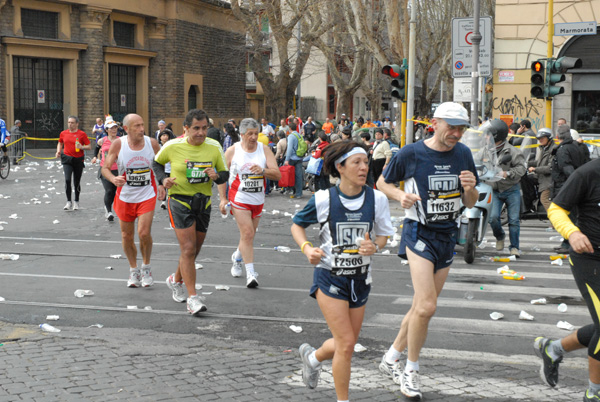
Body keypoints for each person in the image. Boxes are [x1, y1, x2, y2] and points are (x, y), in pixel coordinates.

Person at [376, 102, 479, 400]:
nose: (456, 134)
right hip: (418, 233)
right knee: (427, 306)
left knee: (421, 306)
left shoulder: (464, 154)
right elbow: (382, 182)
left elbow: (470, 202)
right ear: (435, 123)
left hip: (448, 234)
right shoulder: (411, 153)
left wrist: (470, 188)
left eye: (461, 129)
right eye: (452, 127)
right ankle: (411, 369)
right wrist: (400, 195)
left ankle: (391, 357)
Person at [291, 140, 393, 401]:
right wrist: (307, 249)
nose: (363, 168)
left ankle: (313, 358)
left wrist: (375, 247)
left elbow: (383, 236)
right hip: (330, 278)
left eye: (366, 162)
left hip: (360, 280)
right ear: (340, 167)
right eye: (356, 162)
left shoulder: (377, 199)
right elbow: (296, 225)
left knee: (343, 343)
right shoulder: (324, 198)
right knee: (347, 344)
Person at [153, 109, 229, 315]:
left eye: (204, 128)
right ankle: (192, 298)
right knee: (187, 248)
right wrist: (163, 180)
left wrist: (216, 176)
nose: (201, 133)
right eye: (196, 128)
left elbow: (224, 175)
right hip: (179, 201)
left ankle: (175, 279)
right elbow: (156, 163)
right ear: (186, 129)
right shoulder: (172, 145)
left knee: (194, 250)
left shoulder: (214, 146)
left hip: (203, 203)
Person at [546, 156, 600, 401]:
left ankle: (554, 348)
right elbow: (556, 208)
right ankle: (594, 393)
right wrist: (573, 233)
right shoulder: (588, 173)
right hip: (590, 258)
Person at [102, 114, 164, 289]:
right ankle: (133, 269)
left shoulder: (151, 143)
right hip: (125, 196)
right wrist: (114, 180)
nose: (141, 129)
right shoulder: (118, 144)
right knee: (126, 236)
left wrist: (161, 183)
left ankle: (146, 267)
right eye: (136, 126)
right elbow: (105, 168)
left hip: (147, 194)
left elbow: (162, 164)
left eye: (142, 125)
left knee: (144, 233)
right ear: (127, 129)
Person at [226, 118, 280, 288]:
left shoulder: (264, 150)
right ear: (241, 134)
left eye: (256, 133)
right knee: (248, 233)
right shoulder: (232, 151)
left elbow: (277, 175)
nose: (253, 137)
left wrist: (263, 171)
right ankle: (251, 273)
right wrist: (222, 198)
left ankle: (237, 256)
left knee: (249, 235)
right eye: (250, 134)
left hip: (258, 199)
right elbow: (221, 175)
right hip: (239, 198)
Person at [488, 119, 526, 257]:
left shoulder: (513, 151)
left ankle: (514, 247)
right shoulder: (486, 150)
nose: (486, 137)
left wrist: (508, 173)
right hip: (494, 189)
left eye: (489, 134)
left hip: (511, 189)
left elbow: (522, 168)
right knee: (493, 218)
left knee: (514, 220)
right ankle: (500, 236)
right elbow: (476, 161)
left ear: (497, 136)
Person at [551, 124, 585, 253]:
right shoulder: (576, 147)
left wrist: (572, 185)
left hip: (565, 185)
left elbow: (567, 169)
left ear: (558, 136)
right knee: (572, 215)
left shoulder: (563, 150)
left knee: (567, 216)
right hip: (573, 184)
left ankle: (569, 244)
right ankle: (566, 243)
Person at [55, 116, 91, 211]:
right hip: (67, 159)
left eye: (72, 122)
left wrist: (82, 147)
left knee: (76, 181)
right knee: (67, 180)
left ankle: (76, 201)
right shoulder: (63, 133)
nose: (70, 124)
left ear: (77, 124)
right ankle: (68, 202)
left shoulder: (82, 134)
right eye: (69, 122)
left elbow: (89, 146)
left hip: (78, 159)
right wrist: (58, 151)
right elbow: (60, 142)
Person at [91, 116, 120, 221]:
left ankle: (116, 209)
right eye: (111, 128)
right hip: (106, 169)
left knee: (116, 191)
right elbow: (97, 148)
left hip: (118, 169)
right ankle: (108, 211)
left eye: (115, 128)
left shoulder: (120, 140)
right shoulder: (102, 140)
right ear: (106, 130)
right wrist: (95, 157)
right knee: (109, 190)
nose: (113, 130)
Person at [527, 127, 557, 213]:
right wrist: (528, 163)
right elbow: (540, 162)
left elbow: (550, 167)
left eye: (542, 138)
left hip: (549, 181)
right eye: (539, 138)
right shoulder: (544, 148)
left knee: (544, 199)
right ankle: (531, 203)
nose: (540, 140)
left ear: (549, 138)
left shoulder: (553, 150)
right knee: (526, 179)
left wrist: (535, 169)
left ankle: (555, 222)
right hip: (542, 179)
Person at [284, 121, 304, 199]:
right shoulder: (299, 135)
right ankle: (299, 193)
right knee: (298, 176)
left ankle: (290, 190)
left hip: (292, 158)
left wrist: (286, 159)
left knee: (289, 174)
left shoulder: (291, 136)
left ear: (289, 128)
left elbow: (289, 148)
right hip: (299, 157)